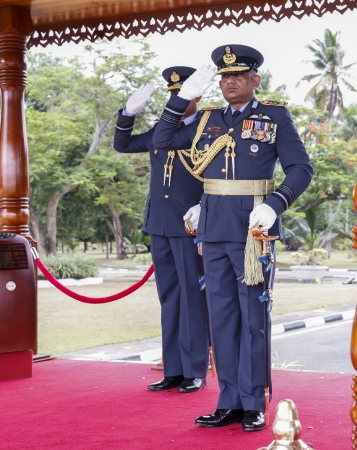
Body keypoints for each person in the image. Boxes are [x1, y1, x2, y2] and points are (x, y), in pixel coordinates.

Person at [152, 45, 313, 432]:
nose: (229, 82)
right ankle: (228, 401)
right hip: (213, 228)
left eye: (238, 75)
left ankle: (253, 401)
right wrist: (183, 98)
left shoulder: (274, 117)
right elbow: (162, 138)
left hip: (253, 229)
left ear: (255, 80)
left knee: (252, 318)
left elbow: (300, 168)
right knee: (221, 318)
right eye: (224, 76)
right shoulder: (207, 119)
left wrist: (275, 203)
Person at [114, 67, 209, 393]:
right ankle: (174, 369)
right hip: (160, 224)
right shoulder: (161, 129)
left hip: (189, 225)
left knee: (193, 297)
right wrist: (128, 114)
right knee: (169, 297)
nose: (176, 101)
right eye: (173, 96)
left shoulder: (208, 128)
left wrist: (205, 206)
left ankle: (195, 369)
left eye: (183, 95)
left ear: (197, 94)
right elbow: (123, 145)